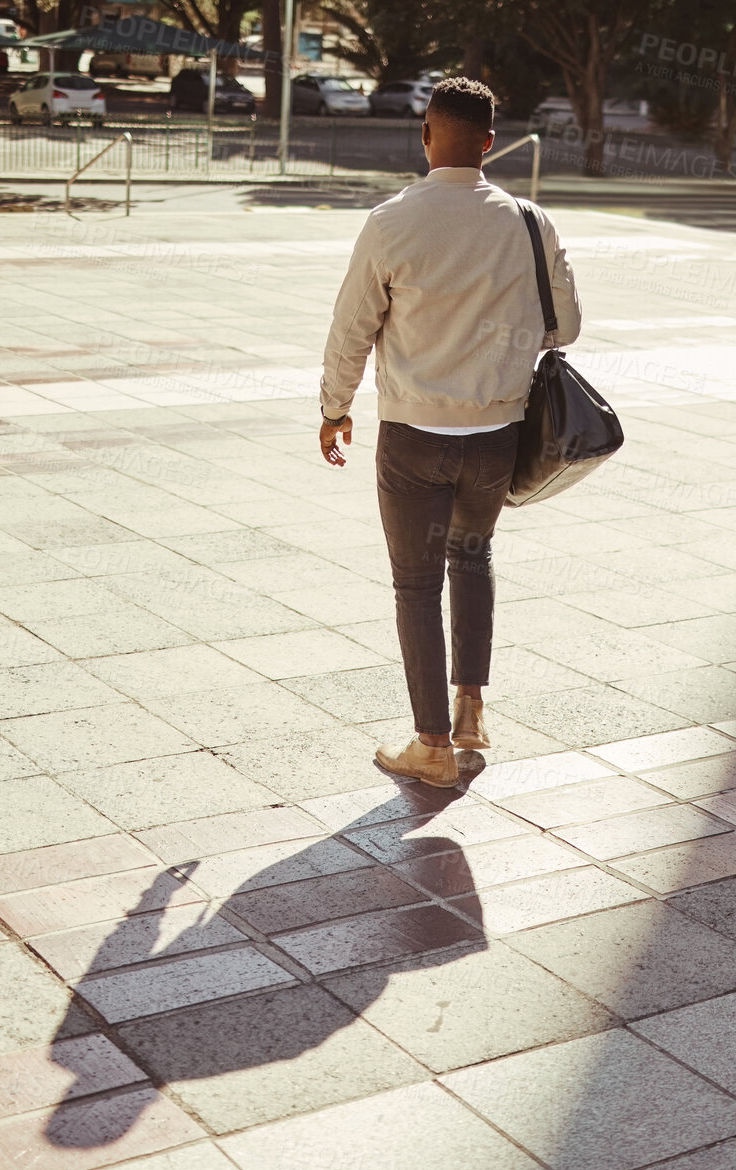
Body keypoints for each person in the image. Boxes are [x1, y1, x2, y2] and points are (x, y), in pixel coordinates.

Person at [316, 77, 581, 788]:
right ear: (490, 143)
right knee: (472, 558)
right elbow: (566, 328)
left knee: (413, 585)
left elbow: (351, 329)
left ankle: (430, 746)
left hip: (410, 435)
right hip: (496, 431)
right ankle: (470, 713)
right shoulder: (530, 222)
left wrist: (334, 408)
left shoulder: (390, 221)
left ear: (426, 136)